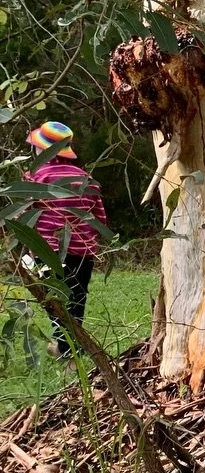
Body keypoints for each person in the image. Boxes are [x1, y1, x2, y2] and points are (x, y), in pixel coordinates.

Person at [24, 121, 109, 358]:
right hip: (83, 251)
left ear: (42, 149)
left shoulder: (35, 177)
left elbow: (24, 215)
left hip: (48, 251)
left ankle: (66, 348)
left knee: (55, 299)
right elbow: (99, 217)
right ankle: (70, 346)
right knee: (77, 298)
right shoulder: (85, 178)